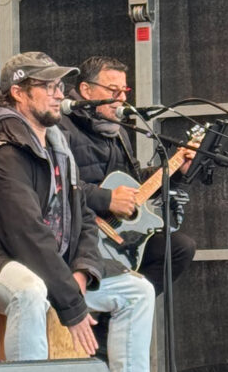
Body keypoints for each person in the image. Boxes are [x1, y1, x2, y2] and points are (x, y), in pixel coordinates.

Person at [0, 52, 158, 372]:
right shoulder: (2, 154)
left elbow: (84, 220)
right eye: (46, 86)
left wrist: (83, 270)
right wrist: (72, 303)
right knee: (29, 291)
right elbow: (26, 235)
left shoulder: (59, 146)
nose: (57, 93)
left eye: (58, 86)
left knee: (136, 292)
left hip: (53, 267)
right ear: (18, 93)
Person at [60, 56, 196, 296]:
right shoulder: (63, 127)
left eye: (125, 91)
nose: (122, 99)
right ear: (86, 90)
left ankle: (128, 308)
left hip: (116, 234)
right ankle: (108, 314)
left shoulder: (118, 132)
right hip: (77, 234)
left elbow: (134, 183)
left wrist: (175, 169)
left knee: (179, 248)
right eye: (114, 90)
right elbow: (56, 184)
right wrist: (107, 198)